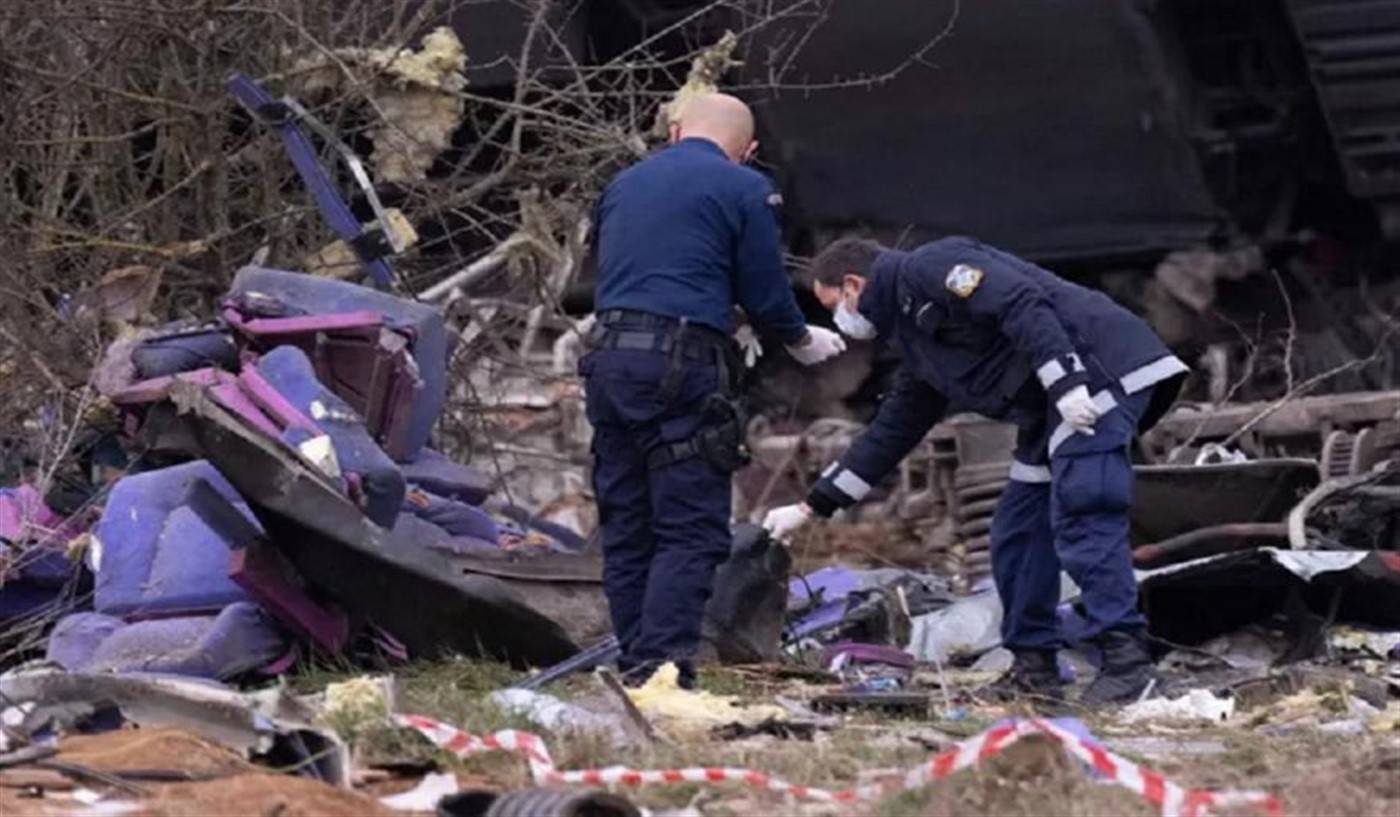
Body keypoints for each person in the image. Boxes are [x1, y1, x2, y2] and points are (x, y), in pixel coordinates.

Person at [762, 235, 1188, 705]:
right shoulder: (917, 344)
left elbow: (1021, 302)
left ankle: (1130, 666)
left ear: (853, 284)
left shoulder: (932, 266)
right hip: (1053, 411)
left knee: (1085, 509)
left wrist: (1066, 381)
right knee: (1018, 534)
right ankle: (1034, 667)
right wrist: (812, 506)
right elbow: (892, 431)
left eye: (833, 306)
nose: (839, 320)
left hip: (1099, 377)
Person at [583, 93, 846, 689]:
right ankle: (663, 671)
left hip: (608, 360)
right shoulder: (744, 187)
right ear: (747, 151)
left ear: (675, 132)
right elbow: (764, 284)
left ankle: (634, 663)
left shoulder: (623, 183)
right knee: (690, 526)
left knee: (628, 519)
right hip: (681, 366)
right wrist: (797, 336)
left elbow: (642, 269)